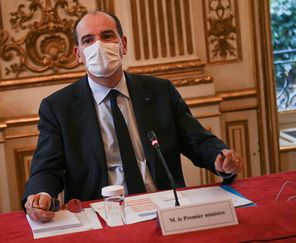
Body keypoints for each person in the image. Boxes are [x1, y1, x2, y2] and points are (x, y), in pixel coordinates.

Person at [23, 11, 244, 223]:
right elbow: (46, 168)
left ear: (123, 44)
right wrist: (40, 194)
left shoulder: (160, 92)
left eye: (107, 36)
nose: (99, 45)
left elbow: (196, 140)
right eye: (88, 40)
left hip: (165, 209)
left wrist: (219, 156)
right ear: (78, 54)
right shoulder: (58, 107)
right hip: (100, 216)